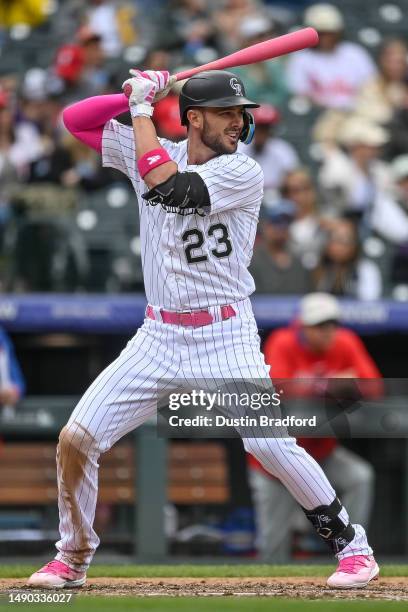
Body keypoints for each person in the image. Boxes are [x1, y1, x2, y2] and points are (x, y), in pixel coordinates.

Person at [27, 68, 379, 590]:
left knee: (270, 444)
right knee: (77, 439)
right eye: (225, 113)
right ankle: (72, 557)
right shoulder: (155, 146)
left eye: (241, 113)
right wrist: (133, 94)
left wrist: (143, 109)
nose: (238, 122)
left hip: (225, 334)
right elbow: (75, 120)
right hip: (157, 337)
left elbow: (169, 189)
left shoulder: (243, 172)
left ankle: (353, 548)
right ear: (193, 118)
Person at [248, 293, 380, 561]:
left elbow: (374, 386)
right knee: (273, 548)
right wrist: (331, 382)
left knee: (360, 477)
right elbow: (280, 389)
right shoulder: (283, 341)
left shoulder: (345, 341)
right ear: (303, 326)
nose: (327, 331)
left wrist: (319, 383)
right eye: (319, 325)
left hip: (322, 454)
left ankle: (351, 548)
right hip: (276, 464)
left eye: (332, 325)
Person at [286, 3, 377, 143]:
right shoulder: (301, 58)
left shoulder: (354, 53)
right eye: (321, 33)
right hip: (321, 116)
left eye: (330, 32)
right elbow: (300, 94)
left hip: (357, 113)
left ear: (339, 32)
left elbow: (371, 86)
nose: (326, 37)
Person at [249, 199, 312, 294]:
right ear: (264, 225)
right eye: (276, 222)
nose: (282, 227)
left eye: (287, 223)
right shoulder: (250, 259)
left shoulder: (299, 260)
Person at [313, 218, 383, 300]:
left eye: (347, 240)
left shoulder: (366, 269)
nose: (341, 246)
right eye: (337, 239)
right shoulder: (316, 267)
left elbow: (370, 304)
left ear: (355, 245)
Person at [238, 104, 298, 194]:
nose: (261, 132)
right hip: (244, 194)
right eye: (259, 127)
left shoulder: (282, 149)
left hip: (275, 196)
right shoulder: (239, 148)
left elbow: (293, 177)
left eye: (266, 128)